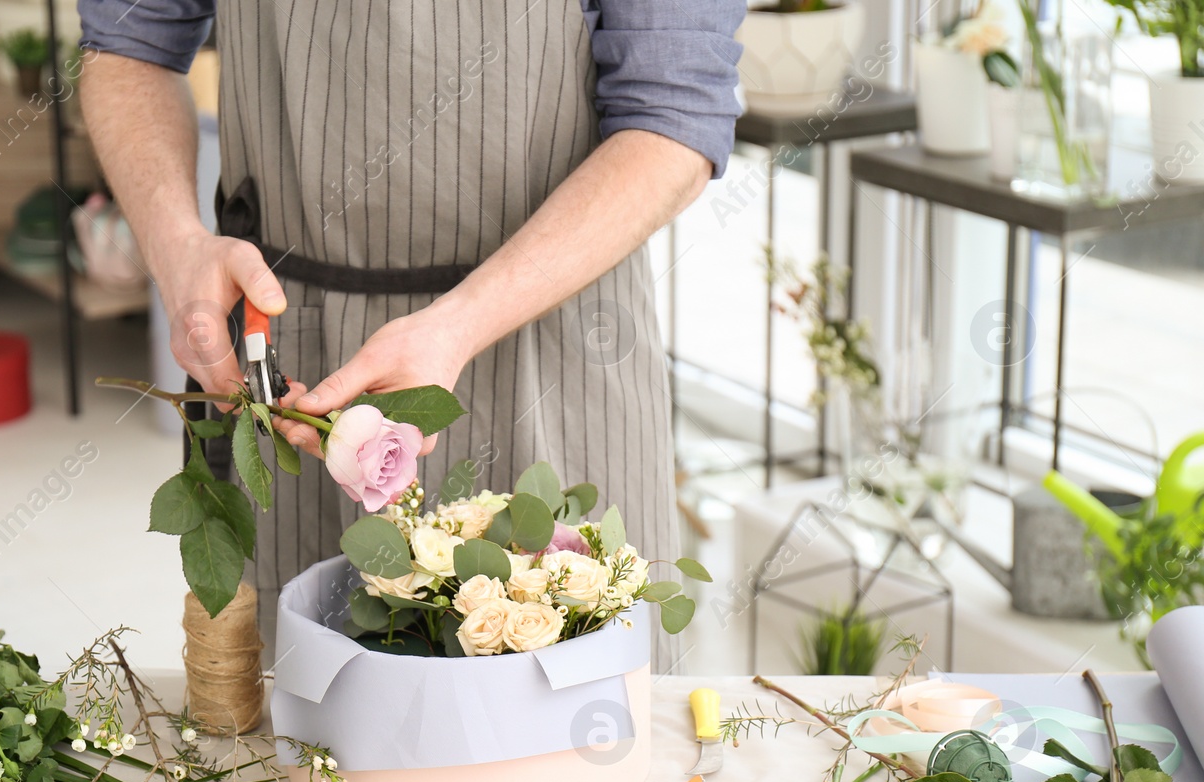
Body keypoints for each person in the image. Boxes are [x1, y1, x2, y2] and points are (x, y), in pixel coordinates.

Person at [80, 0, 744, 656]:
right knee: (309, 736)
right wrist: (177, 250)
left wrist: (458, 324)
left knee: (570, 725)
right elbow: (128, 43)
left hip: (550, 349)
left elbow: (672, 119)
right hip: (293, 365)